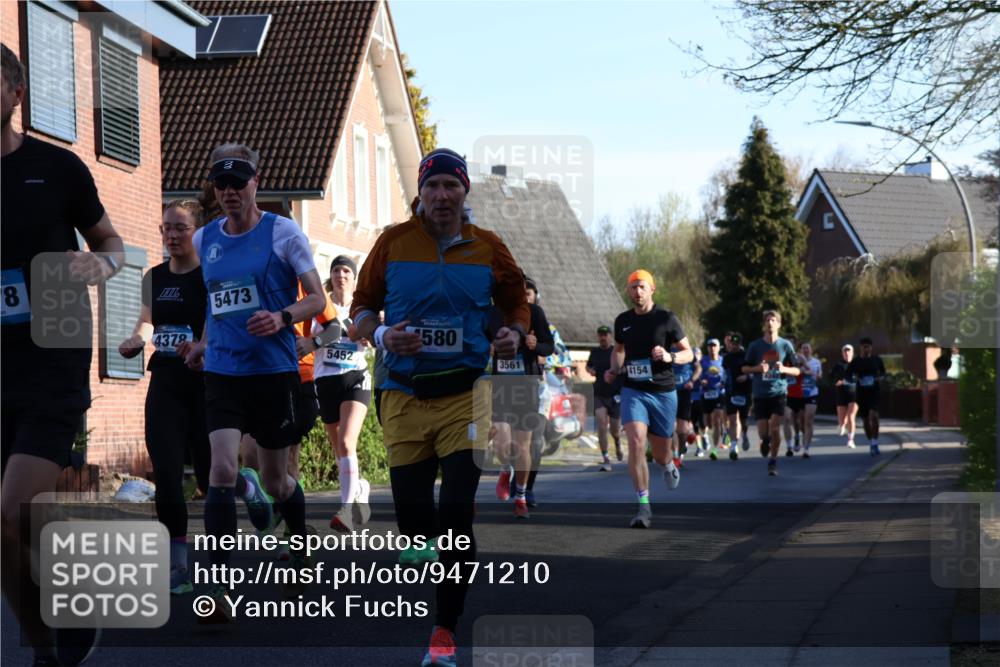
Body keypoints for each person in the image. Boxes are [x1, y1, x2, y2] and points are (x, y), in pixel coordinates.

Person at [350, 147, 529, 667]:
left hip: (466, 396)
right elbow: (361, 307)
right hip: (403, 393)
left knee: (454, 512)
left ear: (465, 191)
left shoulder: (488, 247)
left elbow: (516, 303)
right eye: (433, 186)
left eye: (452, 185)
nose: (442, 195)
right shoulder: (392, 242)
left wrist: (514, 333)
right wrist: (382, 334)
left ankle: (444, 632)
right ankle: (433, 551)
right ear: (421, 193)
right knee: (413, 520)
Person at [2, 42, 124, 666]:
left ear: (15, 93)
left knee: (15, 507)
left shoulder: (57, 168)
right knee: (2, 527)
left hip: (53, 356)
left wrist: (98, 265)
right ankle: (46, 647)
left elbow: (112, 243)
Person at [183, 143, 326, 619]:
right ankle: (219, 588)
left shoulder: (283, 232)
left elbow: (316, 298)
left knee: (276, 481)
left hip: (272, 372)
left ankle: (300, 544)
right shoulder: (205, 239)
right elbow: (215, 301)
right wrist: (204, 344)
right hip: (224, 371)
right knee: (221, 472)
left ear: (255, 183)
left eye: (237, 183)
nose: (229, 192)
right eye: (220, 184)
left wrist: (283, 316)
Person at [118, 200, 209, 595]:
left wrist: (203, 345)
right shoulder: (153, 277)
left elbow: (222, 323)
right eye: (166, 228)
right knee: (168, 475)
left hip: (205, 383)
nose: (171, 236)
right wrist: (136, 340)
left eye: (180, 228)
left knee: (210, 476)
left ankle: (244, 488)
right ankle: (178, 566)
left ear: (198, 232)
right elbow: (146, 321)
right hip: (166, 382)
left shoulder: (211, 275)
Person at [604, 270, 692, 528]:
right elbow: (619, 350)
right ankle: (643, 505)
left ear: (652, 289)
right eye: (633, 287)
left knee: (661, 454)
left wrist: (669, 356)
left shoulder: (666, 318)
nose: (637, 292)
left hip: (663, 392)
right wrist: (614, 369)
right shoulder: (623, 321)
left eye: (642, 287)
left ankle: (667, 464)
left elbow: (688, 353)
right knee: (636, 442)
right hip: (633, 390)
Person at [308, 255, 372, 532]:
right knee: (340, 450)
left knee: (346, 442)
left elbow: (376, 334)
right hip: (325, 381)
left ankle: (345, 511)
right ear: (331, 275)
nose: (341, 275)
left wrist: (370, 335)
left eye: (346, 271)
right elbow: (307, 338)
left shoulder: (362, 308)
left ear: (354, 278)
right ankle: (360, 488)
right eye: (336, 270)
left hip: (356, 377)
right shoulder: (319, 305)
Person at [489, 274, 553, 518]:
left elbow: (549, 346)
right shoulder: (492, 313)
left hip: (526, 385)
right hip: (500, 385)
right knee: (501, 441)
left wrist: (537, 345)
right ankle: (506, 468)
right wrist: (487, 346)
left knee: (523, 444)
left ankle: (521, 496)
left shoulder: (534, 313)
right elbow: (478, 339)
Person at [742, 310, 800, 477]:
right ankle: (765, 441)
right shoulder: (755, 346)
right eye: (767, 320)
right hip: (760, 394)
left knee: (775, 427)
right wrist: (758, 369)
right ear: (764, 324)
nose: (770, 323)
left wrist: (784, 369)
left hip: (778, 392)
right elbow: (744, 368)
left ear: (779, 324)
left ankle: (773, 461)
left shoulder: (785, 345)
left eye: (773, 320)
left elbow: (797, 370)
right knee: (763, 433)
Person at [586, 325, 622, 471]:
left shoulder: (616, 351)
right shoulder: (594, 352)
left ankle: (618, 442)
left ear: (610, 336)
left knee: (615, 430)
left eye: (605, 334)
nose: (602, 337)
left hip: (615, 394)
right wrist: (590, 370)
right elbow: (588, 366)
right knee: (601, 425)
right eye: (600, 335)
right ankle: (606, 458)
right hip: (599, 393)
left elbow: (623, 367)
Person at [849, 337, 886, 456]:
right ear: (860, 348)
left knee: (874, 416)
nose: (866, 349)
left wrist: (880, 378)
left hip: (874, 392)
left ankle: (875, 442)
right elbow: (848, 375)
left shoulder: (877, 360)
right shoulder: (856, 361)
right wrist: (854, 378)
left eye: (868, 347)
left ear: (871, 348)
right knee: (865, 420)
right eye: (864, 347)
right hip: (862, 393)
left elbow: (883, 373)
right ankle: (871, 441)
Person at [722, 332, 752, 457]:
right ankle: (734, 446)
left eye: (736, 344)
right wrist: (722, 382)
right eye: (732, 344)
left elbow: (754, 372)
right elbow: (724, 373)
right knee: (733, 419)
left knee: (743, 420)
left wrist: (746, 377)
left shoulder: (747, 356)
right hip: (731, 391)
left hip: (744, 392)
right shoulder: (727, 357)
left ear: (740, 344)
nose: (734, 346)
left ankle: (744, 434)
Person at [700, 338, 728, 461]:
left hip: (719, 393)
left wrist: (724, 382)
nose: (712, 348)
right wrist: (702, 380)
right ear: (707, 348)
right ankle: (707, 436)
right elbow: (697, 373)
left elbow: (727, 374)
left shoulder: (723, 360)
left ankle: (714, 449)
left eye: (714, 346)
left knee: (717, 419)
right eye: (710, 346)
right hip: (706, 393)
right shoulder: (703, 361)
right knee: (708, 422)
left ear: (718, 347)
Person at [830, 344, 859, 448]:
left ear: (852, 352)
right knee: (842, 421)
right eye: (845, 351)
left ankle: (850, 440)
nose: (847, 353)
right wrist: (836, 382)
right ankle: (842, 425)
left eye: (849, 351)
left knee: (851, 416)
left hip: (855, 393)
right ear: (842, 353)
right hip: (841, 393)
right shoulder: (838, 365)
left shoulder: (857, 364)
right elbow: (830, 378)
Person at [798, 342, 822, 458]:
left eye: (807, 348)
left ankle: (806, 448)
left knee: (809, 420)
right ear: (801, 350)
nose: (806, 350)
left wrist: (811, 372)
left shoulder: (816, 362)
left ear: (811, 350)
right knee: (801, 422)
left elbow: (819, 376)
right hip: (799, 394)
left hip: (812, 393)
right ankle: (802, 436)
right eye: (804, 348)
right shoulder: (796, 362)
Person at [784, 352, 805, 456]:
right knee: (787, 419)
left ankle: (797, 435)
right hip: (787, 396)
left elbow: (808, 370)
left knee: (799, 422)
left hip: (799, 396)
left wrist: (802, 361)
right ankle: (789, 446)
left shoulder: (800, 366)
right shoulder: (784, 364)